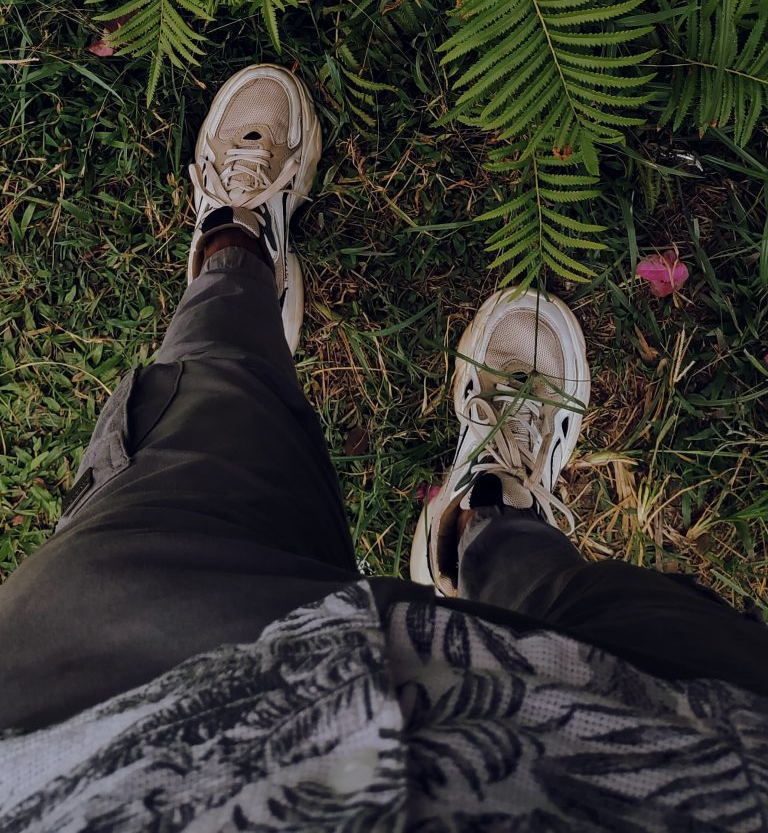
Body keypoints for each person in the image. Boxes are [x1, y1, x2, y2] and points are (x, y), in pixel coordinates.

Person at [0, 63, 766, 831]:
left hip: (101, 717)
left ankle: (238, 251)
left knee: (201, 430)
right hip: (674, 755)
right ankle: (486, 519)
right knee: (571, 605)